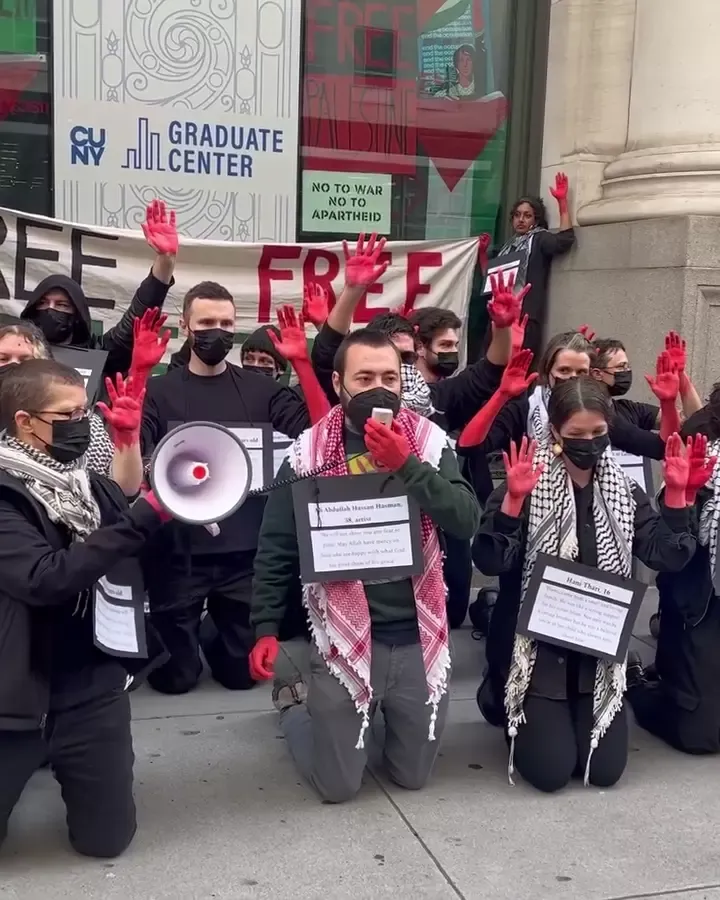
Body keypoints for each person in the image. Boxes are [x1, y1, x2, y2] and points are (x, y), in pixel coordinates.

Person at [248, 328, 481, 803]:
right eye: (365, 378)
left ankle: (373, 718)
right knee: (337, 788)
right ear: (338, 383)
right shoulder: (307, 453)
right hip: (343, 635)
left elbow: (465, 519)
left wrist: (406, 465)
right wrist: (265, 625)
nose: (379, 388)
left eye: (389, 378)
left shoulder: (429, 443)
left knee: (411, 777)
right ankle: (296, 708)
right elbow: (277, 544)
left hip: (417, 635)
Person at [472, 377, 701, 792]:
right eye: (576, 434)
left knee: (604, 772)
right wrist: (513, 504)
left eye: (598, 432)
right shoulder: (526, 481)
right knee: (551, 772)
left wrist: (676, 495)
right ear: (555, 431)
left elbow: (667, 555)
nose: (589, 443)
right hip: (538, 652)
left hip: (596, 649)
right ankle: (501, 693)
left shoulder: (625, 490)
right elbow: (489, 560)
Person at [0, 358, 171, 857]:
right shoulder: (6, 493)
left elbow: (126, 507)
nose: (81, 424)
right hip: (17, 691)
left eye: (83, 413)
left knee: (106, 840)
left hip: (90, 685)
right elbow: (45, 577)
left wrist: (129, 444)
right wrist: (141, 519)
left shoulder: (82, 483)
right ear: (25, 422)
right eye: (67, 416)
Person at [140, 283, 325, 695]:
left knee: (242, 678)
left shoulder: (263, 390)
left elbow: (321, 434)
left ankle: (214, 630)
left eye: (226, 323)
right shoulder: (160, 391)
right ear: (186, 325)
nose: (217, 331)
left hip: (244, 552)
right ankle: (182, 635)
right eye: (207, 322)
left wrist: (303, 363)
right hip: (178, 552)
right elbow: (134, 452)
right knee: (174, 680)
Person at [628, 426, 720, 755]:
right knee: (701, 735)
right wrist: (687, 494)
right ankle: (636, 684)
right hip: (703, 608)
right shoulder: (707, 461)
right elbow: (675, 546)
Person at [20, 200, 176, 383]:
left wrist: (165, 261)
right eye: (43, 303)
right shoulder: (14, 353)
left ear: (77, 314)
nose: (50, 309)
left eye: (61, 305)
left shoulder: (99, 354)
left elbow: (136, 319)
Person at [0, 321, 145, 496]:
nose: (14, 366)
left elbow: (121, 490)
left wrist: (128, 438)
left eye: (25, 360)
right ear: (24, 422)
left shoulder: (83, 420)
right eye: (3, 359)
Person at [473, 173, 575, 360]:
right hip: (500, 317)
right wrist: (482, 253)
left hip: (524, 318)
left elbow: (564, 240)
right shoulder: (509, 245)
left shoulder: (539, 238)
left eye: (527, 216)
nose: (521, 220)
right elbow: (492, 280)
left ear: (536, 220)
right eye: (517, 215)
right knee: (489, 365)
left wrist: (562, 202)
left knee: (516, 366)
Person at [591, 333, 702, 431]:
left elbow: (695, 421)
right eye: (620, 367)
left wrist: (680, 373)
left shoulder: (630, 410)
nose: (627, 371)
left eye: (627, 366)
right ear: (597, 374)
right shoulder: (586, 415)